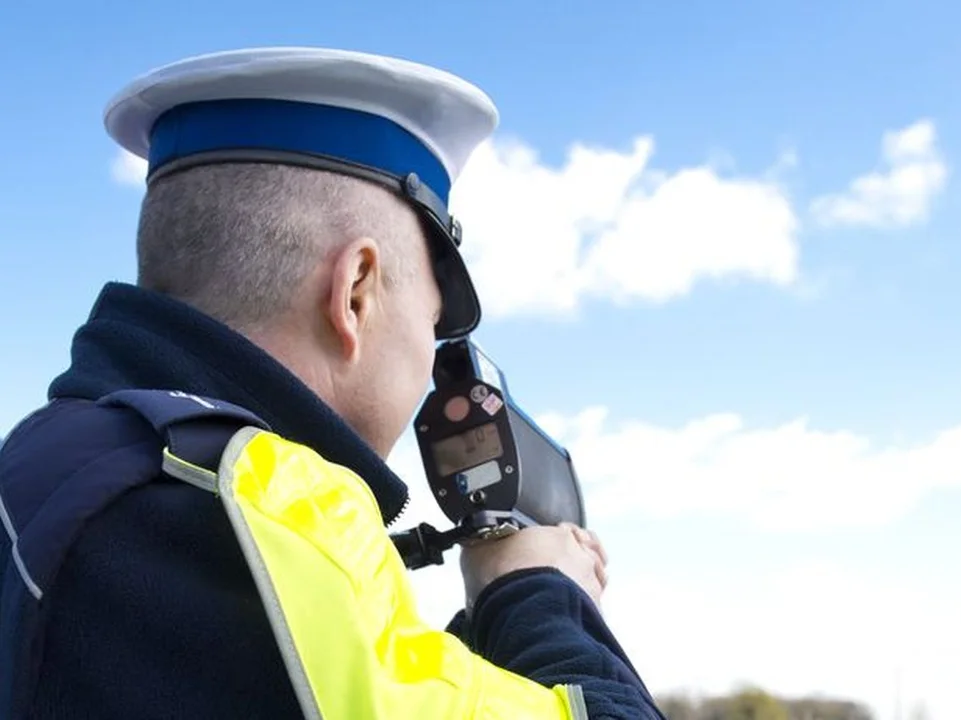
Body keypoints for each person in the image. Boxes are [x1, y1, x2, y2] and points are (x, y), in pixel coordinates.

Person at [0, 47, 663, 719]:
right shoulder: (256, 501)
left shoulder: (46, 459)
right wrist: (536, 592)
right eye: (432, 324)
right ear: (354, 292)